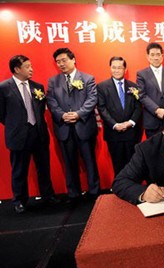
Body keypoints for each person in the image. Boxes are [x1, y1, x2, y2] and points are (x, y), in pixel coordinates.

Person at [0, 55, 59, 213]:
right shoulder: (4, 88)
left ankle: (48, 196)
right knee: (19, 170)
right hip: (18, 136)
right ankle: (20, 200)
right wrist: (16, 126)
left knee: (43, 167)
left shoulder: (37, 86)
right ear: (17, 69)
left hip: (38, 134)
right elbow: (2, 114)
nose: (31, 69)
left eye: (31, 65)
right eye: (27, 66)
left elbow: (40, 110)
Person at [47, 48, 100, 203]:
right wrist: (62, 115)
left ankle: (94, 192)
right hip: (64, 128)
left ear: (73, 59)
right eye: (58, 62)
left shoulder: (87, 78)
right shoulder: (53, 81)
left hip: (83, 126)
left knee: (89, 161)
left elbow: (92, 99)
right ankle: (73, 193)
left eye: (64, 60)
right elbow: (51, 101)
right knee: (69, 162)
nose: (61, 64)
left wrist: (78, 114)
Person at [97, 56, 143, 177]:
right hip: (114, 133)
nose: (116, 70)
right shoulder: (102, 87)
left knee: (133, 164)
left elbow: (138, 107)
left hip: (132, 132)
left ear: (125, 69)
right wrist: (115, 124)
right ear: (110, 68)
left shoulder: (134, 87)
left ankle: (133, 188)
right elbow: (102, 108)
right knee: (117, 164)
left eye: (119, 67)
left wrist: (130, 122)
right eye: (114, 67)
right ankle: (120, 189)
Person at [137, 42, 164, 138]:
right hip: (152, 120)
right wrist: (157, 110)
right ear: (148, 57)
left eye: (158, 55)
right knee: (154, 150)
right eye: (152, 55)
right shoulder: (141, 74)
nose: (155, 58)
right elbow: (142, 95)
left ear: (162, 56)